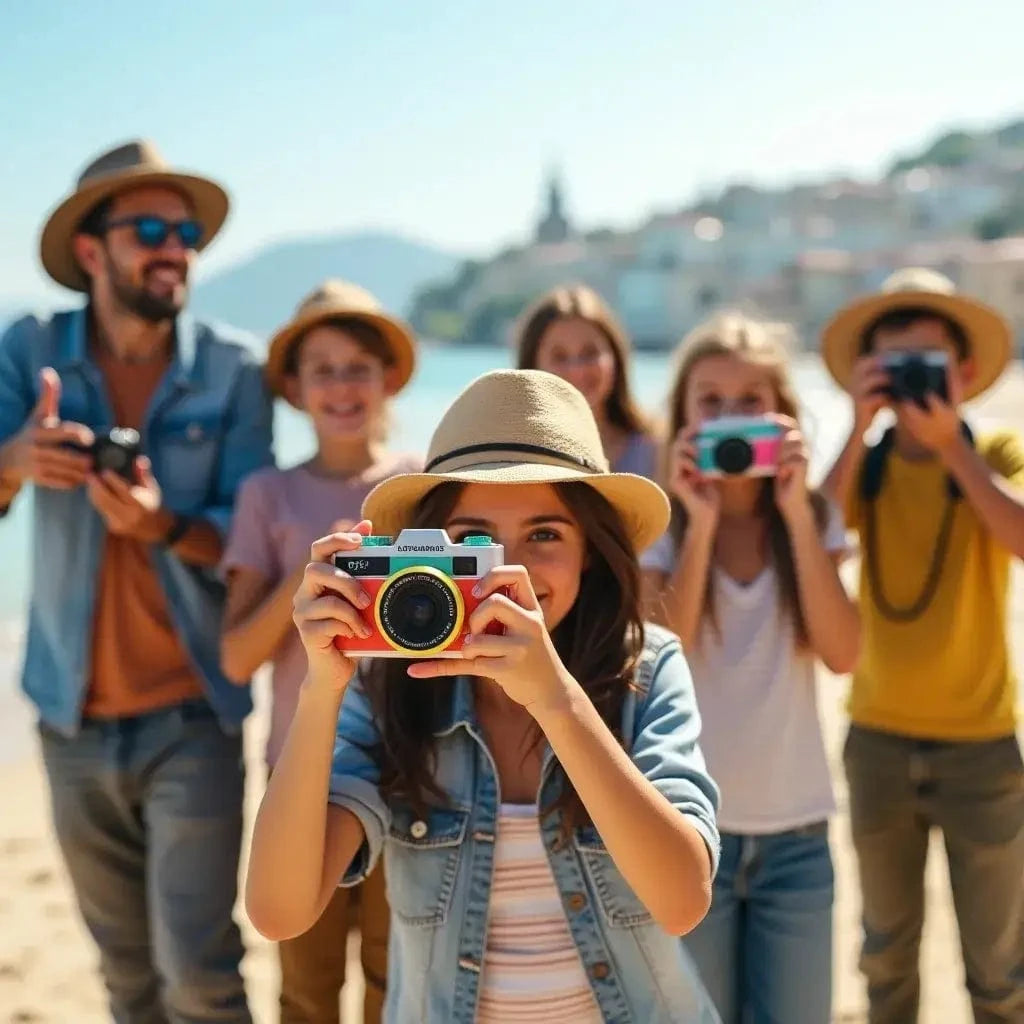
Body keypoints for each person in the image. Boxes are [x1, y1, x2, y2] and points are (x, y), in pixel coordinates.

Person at [245, 368, 723, 1023]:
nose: (508, 569)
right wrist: (320, 691)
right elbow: (278, 910)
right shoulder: (389, 688)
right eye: (474, 542)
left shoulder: (648, 669)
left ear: (591, 550)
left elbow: (682, 899)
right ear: (426, 553)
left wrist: (557, 701)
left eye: (545, 534)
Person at [0, 139, 274, 1023]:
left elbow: (252, 539)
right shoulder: (27, 350)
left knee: (199, 972)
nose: (174, 248)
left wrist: (162, 525)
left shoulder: (236, 370)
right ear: (92, 251)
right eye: (149, 228)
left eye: (185, 231)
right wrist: (14, 459)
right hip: (68, 716)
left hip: (193, 709)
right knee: (125, 979)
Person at [640, 312, 859, 1023]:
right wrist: (699, 524)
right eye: (711, 402)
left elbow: (843, 652)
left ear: (784, 417)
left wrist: (797, 513)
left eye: (750, 402)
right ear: (681, 417)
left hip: (796, 836)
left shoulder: (814, 517)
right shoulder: (660, 529)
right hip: (688, 836)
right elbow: (654, 657)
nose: (730, 418)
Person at [820, 268, 1024, 1023]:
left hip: (984, 747)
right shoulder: (867, 467)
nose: (913, 383)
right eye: (894, 365)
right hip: (876, 742)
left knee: (1002, 968)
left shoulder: (995, 452)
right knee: (886, 956)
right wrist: (855, 425)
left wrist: (954, 452)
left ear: (964, 373)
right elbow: (809, 535)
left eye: (928, 365)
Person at [221, 279, 423, 1023]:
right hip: (300, 771)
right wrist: (312, 576)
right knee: (305, 987)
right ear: (295, 388)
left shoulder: (423, 485)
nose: (342, 385)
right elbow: (239, 658)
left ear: (389, 378)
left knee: (391, 980)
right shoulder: (266, 496)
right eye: (323, 368)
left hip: (414, 767)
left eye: (358, 366)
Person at [515, 284, 660, 479]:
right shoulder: (510, 458)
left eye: (590, 353)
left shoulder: (659, 449)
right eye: (559, 356)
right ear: (532, 365)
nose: (577, 369)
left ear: (616, 357)